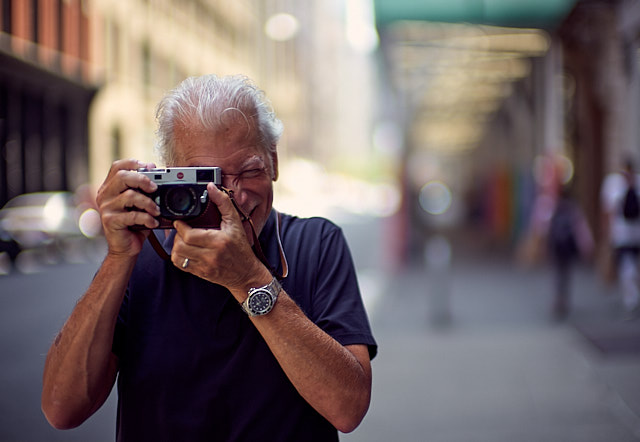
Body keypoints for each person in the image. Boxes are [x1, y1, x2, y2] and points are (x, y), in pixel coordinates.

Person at [41, 74, 377, 441]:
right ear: (171, 176)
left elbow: (348, 408)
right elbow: (62, 408)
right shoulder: (141, 256)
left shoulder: (316, 242)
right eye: (207, 181)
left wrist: (249, 281)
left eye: (250, 172)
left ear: (274, 162)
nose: (232, 198)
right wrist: (118, 257)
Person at [601, 157, 640, 319]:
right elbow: (608, 212)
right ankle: (631, 300)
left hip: (636, 235)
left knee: (633, 269)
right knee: (627, 270)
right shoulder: (613, 185)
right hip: (622, 236)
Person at [547, 185, 594, 320]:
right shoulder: (573, 209)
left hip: (557, 247)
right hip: (567, 248)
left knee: (558, 274)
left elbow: (547, 227)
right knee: (565, 274)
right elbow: (581, 230)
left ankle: (559, 299)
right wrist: (586, 246)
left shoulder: (555, 207)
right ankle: (563, 299)